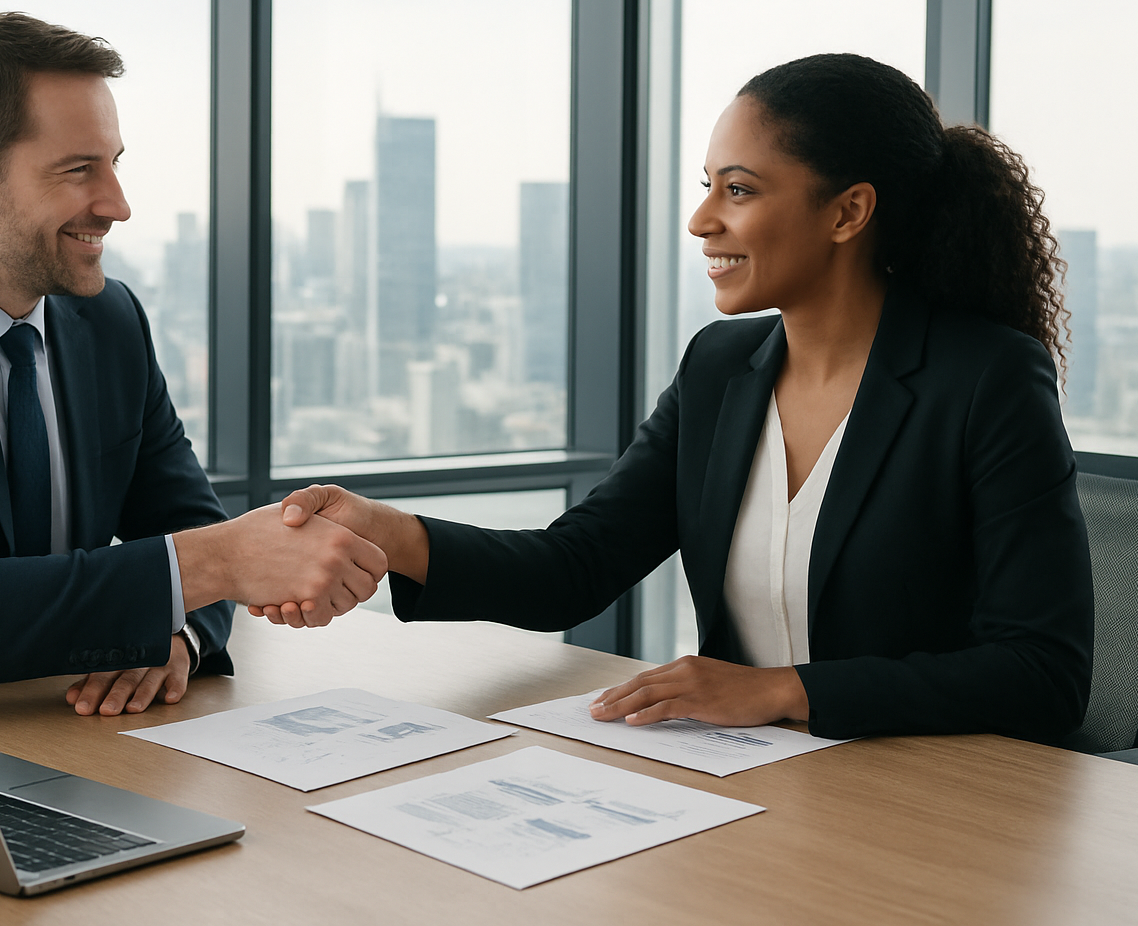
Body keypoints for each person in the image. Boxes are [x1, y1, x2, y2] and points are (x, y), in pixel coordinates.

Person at [265, 53, 1095, 742]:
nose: (701, 220)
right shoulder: (719, 370)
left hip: (931, 804)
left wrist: (784, 690)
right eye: (708, 186)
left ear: (849, 212)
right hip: (750, 786)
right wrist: (390, 533)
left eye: (738, 190)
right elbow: (573, 569)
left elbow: (1040, 672)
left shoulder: (985, 379)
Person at [0, 13, 385, 716]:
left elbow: (187, 522)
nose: (117, 204)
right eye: (79, 170)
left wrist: (180, 639)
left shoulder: (109, 322)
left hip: (68, 728)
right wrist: (220, 562)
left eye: (114, 163)